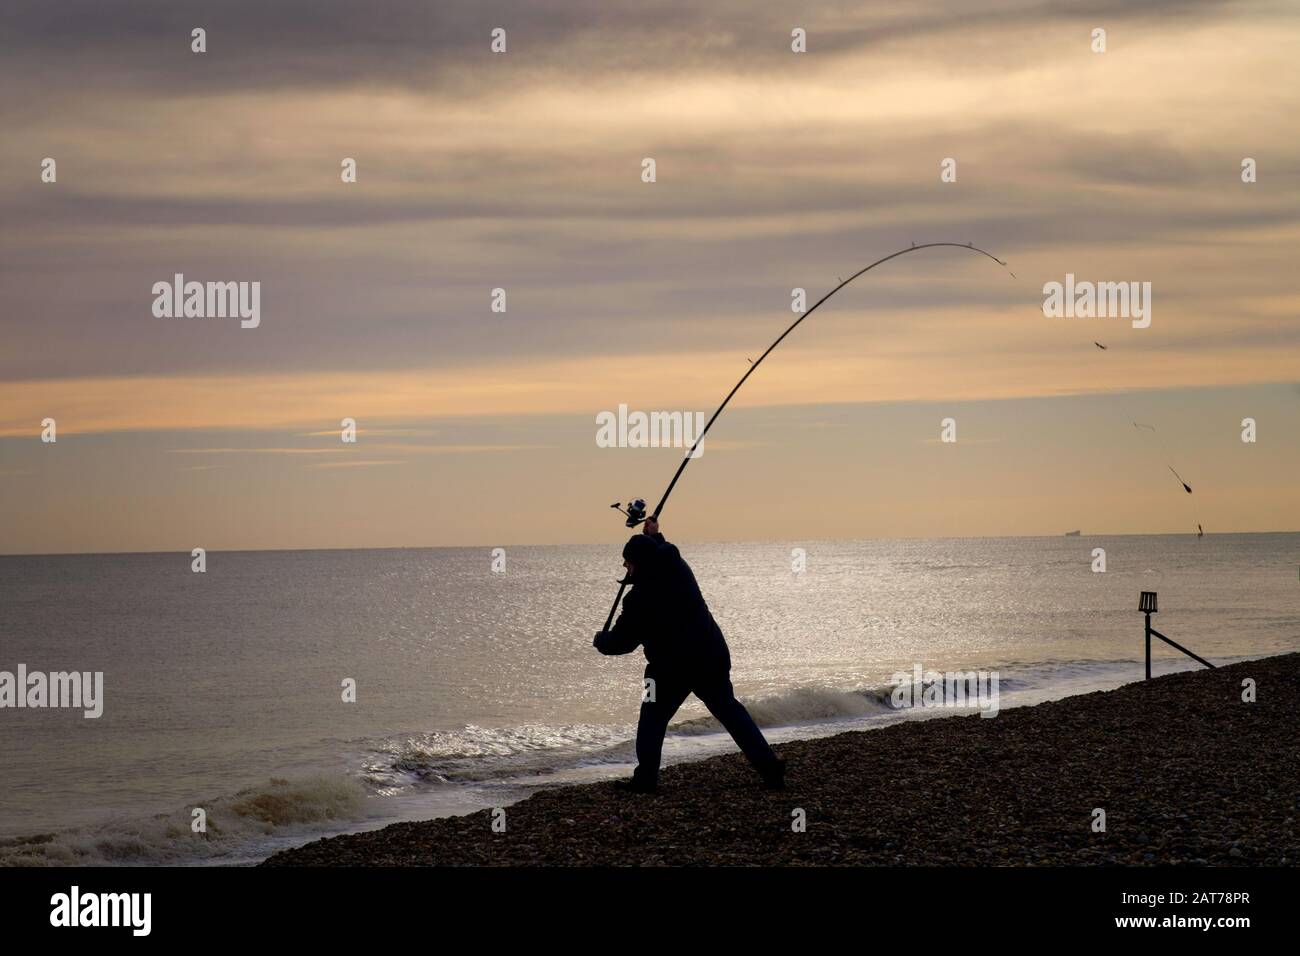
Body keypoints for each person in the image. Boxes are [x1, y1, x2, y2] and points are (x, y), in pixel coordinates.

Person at [593, 517, 786, 792]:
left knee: (652, 718)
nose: (625, 566)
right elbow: (662, 553)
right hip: (710, 654)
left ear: (639, 564)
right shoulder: (678, 567)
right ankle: (770, 767)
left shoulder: (638, 599)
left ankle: (646, 779)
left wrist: (601, 641)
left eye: (628, 561)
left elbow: (621, 644)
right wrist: (655, 536)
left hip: (670, 669)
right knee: (729, 710)